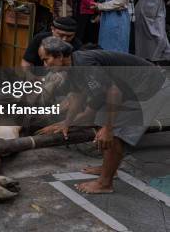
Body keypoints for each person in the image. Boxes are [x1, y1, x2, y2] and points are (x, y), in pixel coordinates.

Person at [37, 37, 170, 194]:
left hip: (149, 88)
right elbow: (77, 96)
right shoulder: (72, 67)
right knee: (101, 119)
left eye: (46, 60)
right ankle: (107, 168)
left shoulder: (84, 64)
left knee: (114, 135)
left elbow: (114, 92)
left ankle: (105, 184)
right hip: (128, 89)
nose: (44, 65)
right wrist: (66, 123)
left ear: (59, 56)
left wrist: (109, 128)